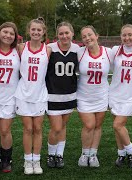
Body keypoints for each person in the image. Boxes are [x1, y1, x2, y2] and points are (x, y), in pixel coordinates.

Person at [14, 18, 51, 175]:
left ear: (43, 32)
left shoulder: (47, 50)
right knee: (28, 128)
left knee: (38, 128)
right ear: (28, 31)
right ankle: (27, 161)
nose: (36, 32)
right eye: (33, 29)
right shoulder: (21, 47)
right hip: (23, 93)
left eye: (39, 30)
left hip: (40, 94)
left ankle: (37, 160)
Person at [109, 24, 132, 169]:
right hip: (115, 93)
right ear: (120, 36)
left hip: (131, 95)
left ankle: (131, 153)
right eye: (124, 35)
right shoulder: (114, 51)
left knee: (118, 124)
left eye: (130, 35)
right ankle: (121, 153)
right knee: (118, 127)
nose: (127, 38)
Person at [0, 22, 20, 174]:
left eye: (11, 33)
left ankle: (7, 159)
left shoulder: (18, 50)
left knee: (5, 130)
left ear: (15, 36)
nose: (8, 35)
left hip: (10, 96)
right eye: (5, 32)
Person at [77, 25, 112, 168]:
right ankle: (84, 153)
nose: (87, 38)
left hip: (102, 95)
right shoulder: (79, 52)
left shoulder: (109, 52)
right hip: (84, 96)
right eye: (84, 36)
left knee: (97, 126)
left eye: (90, 35)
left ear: (97, 35)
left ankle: (93, 154)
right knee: (89, 125)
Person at [45, 22, 79, 168]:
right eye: (61, 33)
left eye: (67, 33)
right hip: (52, 94)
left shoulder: (78, 49)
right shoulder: (49, 49)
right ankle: (50, 154)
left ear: (72, 34)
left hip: (70, 94)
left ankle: (59, 155)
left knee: (63, 126)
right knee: (56, 128)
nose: (64, 36)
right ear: (57, 35)